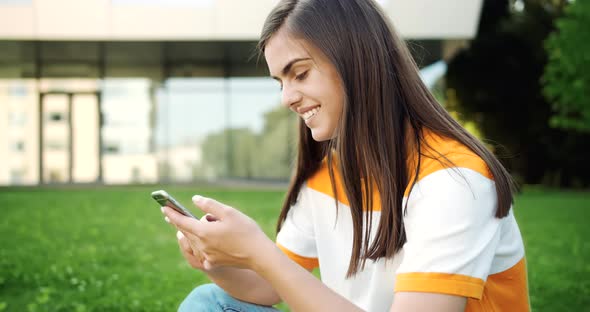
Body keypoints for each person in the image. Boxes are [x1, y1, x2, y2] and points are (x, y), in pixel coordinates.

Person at [162, 0, 530, 311]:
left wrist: (260, 252)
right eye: (281, 82)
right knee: (212, 300)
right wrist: (215, 261)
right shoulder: (328, 176)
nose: (287, 98)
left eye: (300, 74)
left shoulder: (454, 179)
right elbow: (270, 287)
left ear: (356, 61)